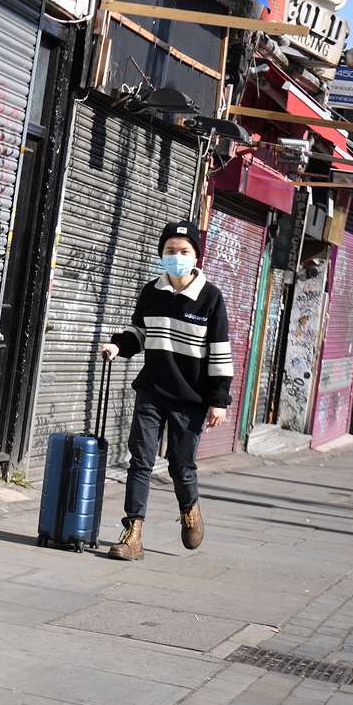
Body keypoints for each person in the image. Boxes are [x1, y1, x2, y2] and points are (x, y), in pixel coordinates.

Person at [99, 220, 233, 561]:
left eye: (184, 251)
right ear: (161, 254)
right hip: (153, 390)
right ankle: (133, 534)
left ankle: (190, 508)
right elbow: (139, 333)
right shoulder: (152, 292)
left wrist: (219, 400)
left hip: (191, 398)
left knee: (180, 465)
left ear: (196, 256)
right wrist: (118, 347)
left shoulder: (210, 298)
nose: (177, 257)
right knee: (140, 461)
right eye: (170, 251)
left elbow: (219, 351)